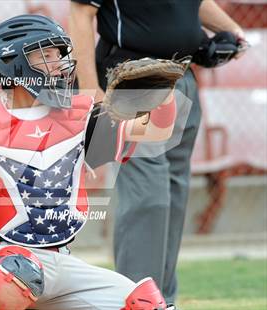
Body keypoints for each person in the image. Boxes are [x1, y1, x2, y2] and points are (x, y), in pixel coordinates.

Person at [0, 14, 178, 310]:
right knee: (18, 275)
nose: (58, 64)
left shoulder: (80, 115)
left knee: (147, 304)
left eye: (59, 55)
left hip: (58, 261)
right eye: (46, 55)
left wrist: (163, 94)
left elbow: (158, 130)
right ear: (14, 61)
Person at [69, 0, 247, 304]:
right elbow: (80, 13)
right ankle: (136, 300)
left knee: (173, 194)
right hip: (134, 80)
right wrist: (89, 91)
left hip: (183, 77)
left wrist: (232, 31)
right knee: (148, 197)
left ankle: (163, 298)